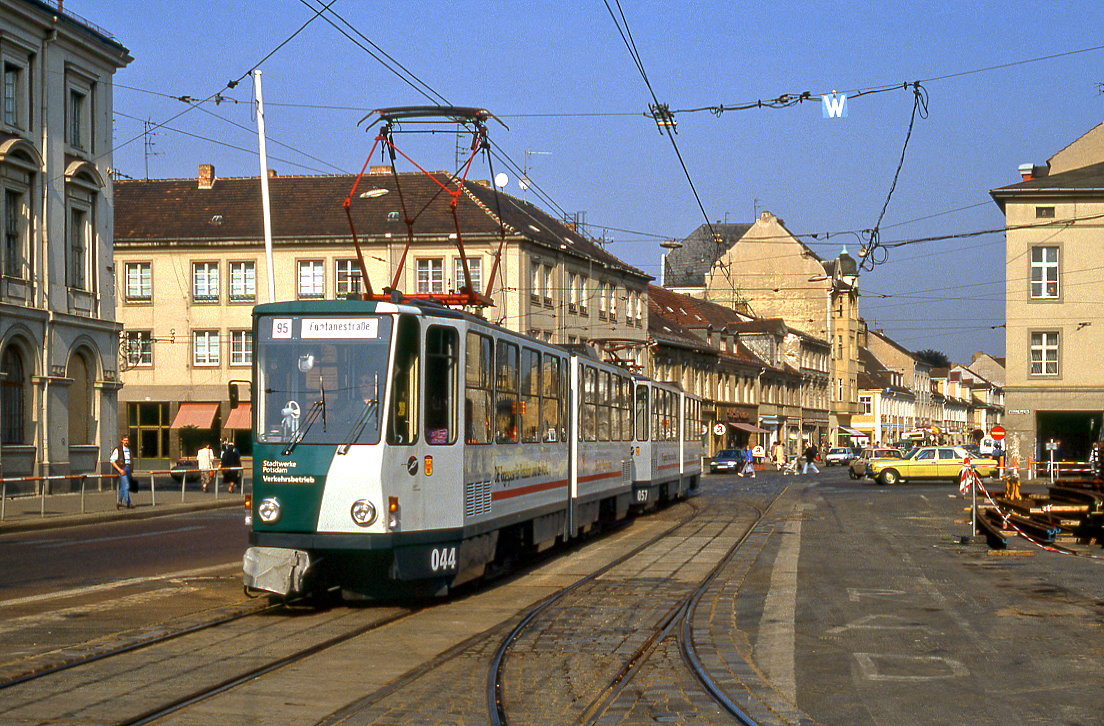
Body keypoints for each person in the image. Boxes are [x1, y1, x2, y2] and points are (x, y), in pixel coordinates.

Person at [109, 435, 134, 509]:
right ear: (122, 441)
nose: (126, 442)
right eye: (125, 440)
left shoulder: (129, 449)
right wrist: (119, 470)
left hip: (128, 468)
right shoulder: (118, 449)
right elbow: (112, 461)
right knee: (126, 485)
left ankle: (119, 502)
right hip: (122, 468)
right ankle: (128, 503)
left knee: (123, 486)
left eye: (127, 440)